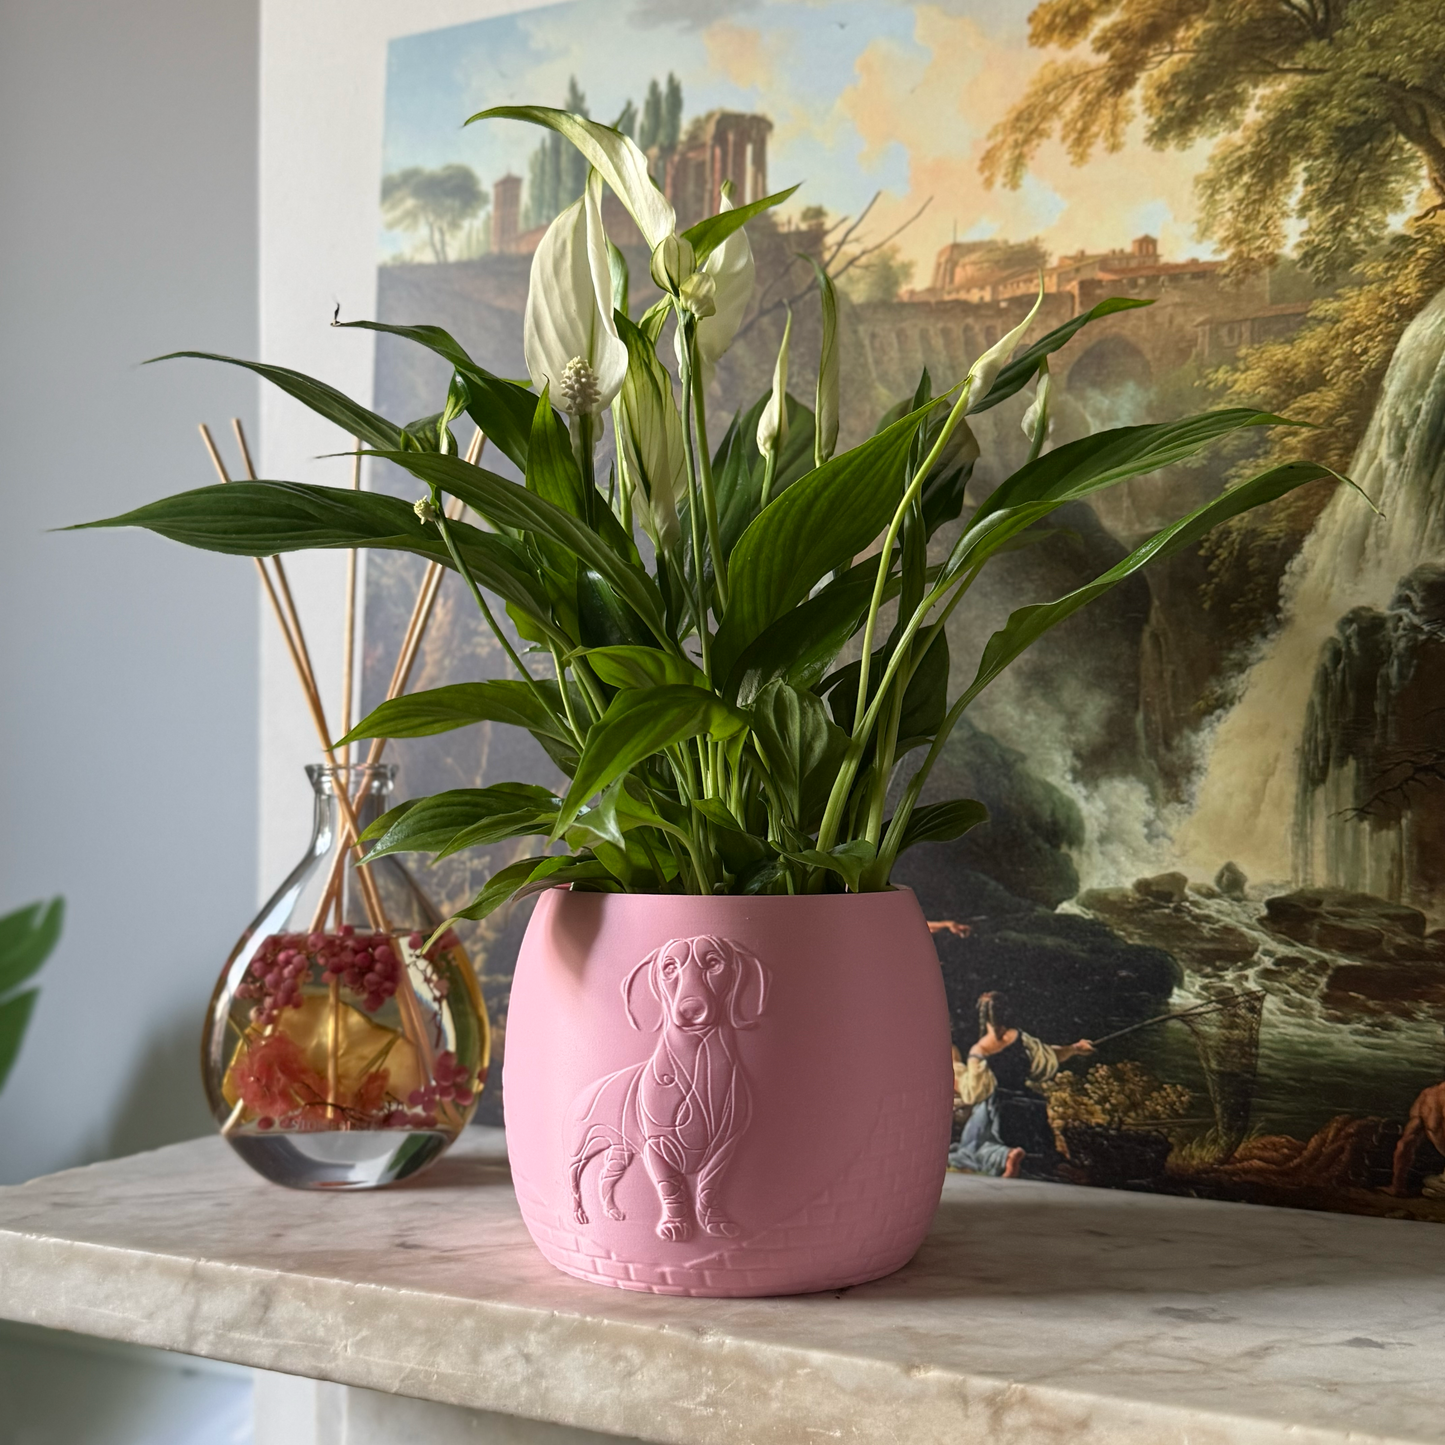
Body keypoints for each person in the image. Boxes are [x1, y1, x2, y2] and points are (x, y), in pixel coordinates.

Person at [950, 990, 1094, 1178]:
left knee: (969, 1149)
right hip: (1030, 1103)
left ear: (981, 1015)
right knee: (1040, 1148)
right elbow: (1049, 1057)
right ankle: (1058, 1167)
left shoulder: (981, 1049)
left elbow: (973, 1092)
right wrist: (1075, 1048)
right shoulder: (1022, 1039)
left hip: (998, 1107)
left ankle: (1006, 1156)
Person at [1388, 1079, 1445, 1197]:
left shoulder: (1427, 1096)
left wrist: (1397, 1185)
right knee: (1431, 1182)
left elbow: (1405, 1143)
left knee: (1430, 1181)